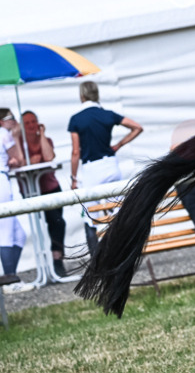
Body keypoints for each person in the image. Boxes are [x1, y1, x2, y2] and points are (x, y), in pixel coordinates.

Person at [68, 81, 144, 252]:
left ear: (82, 96)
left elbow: (75, 153)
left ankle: (96, 258)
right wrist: (118, 145)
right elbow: (137, 128)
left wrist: (74, 178)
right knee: (117, 210)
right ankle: (124, 250)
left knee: (90, 215)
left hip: (91, 169)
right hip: (110, 165)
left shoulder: (76, 119)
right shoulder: (108, 115)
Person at [20, 111, 67, 277]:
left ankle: (57, 259)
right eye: (27, 123)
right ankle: (41, 262)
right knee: (37, 226)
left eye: (34, 122)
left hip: (50, 188)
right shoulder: (18, 144)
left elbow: (49, 157)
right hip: (31, 190)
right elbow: (19, 163)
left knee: (58, 223)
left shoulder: (46, 141)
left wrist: (42, 135)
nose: (32, 126)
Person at [0, 109, 29, 293]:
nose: (14, 121)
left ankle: (11, 276)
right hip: (2, 182)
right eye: (11, 118)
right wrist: (17, 136)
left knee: (19, 235)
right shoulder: (5, 134)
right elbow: (19, 160)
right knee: (6, 232)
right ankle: (10, 281)